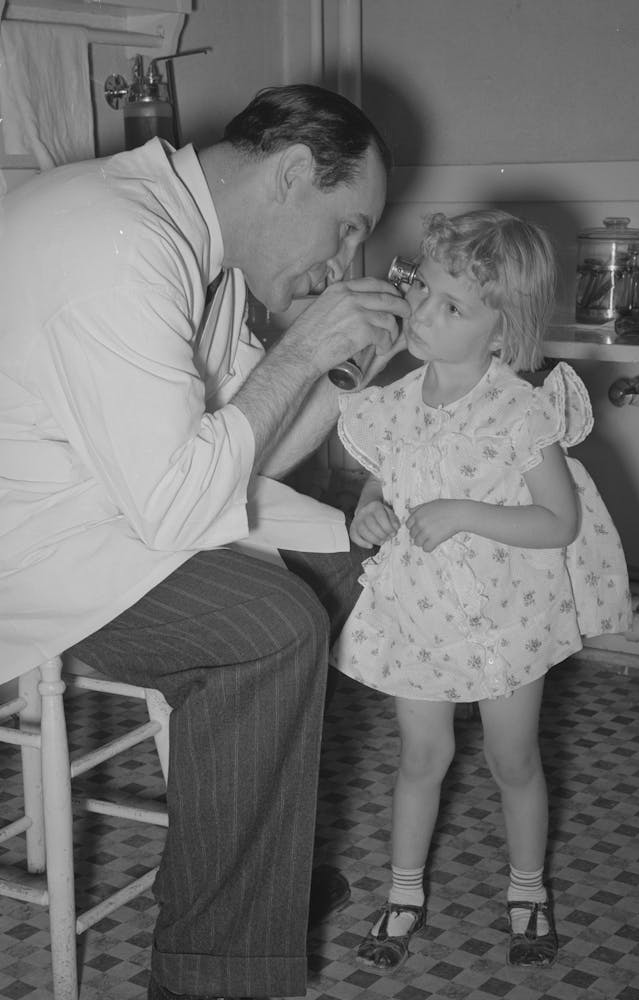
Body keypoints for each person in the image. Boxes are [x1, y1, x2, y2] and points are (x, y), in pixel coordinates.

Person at [0, 84, 411, 1000]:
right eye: (346, 227)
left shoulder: (201, 252)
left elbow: (243, 451)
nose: (345, 256)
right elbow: (182, 505)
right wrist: (301, 351)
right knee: (269, 628)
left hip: (112, 508)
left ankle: (242, 869)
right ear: (294, 174)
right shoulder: (119, 243)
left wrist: (340, 378)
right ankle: (213, 975)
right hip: (27, 546)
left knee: (336, 557)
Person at [333, 209, 632, 972]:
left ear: (504, 332)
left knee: (513, 760)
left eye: (453, 307)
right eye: (425, 292)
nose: (425, 314)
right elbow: (383, 477)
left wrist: (465, 513)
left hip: (505, 619)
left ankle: (527, 887)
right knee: (420, 757)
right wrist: (369, 508)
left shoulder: (520, 409)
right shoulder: (395, 399)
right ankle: (403, 892)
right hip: (418, 613)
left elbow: (558, 521)